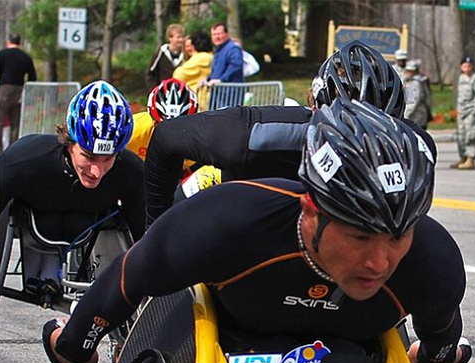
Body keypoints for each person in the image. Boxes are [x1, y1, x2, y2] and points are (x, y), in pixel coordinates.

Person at [42, 99, 470, 363]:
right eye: (360, 236)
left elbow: (439, 347)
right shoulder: (227, 219)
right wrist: (80, 341)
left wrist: (72, 349)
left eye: (398, 237)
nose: (380, 262)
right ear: (312, 210)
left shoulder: (435, 260)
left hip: (348, 350)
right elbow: (131, 274)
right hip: (238, 318)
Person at [143, 40, 436, 226]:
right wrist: (152, 234)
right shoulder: (256, 135)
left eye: (378, 132)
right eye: (349, 131)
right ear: (316, 115)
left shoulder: (415, 147)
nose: (362, 148)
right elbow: (168, 136)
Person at [0, 80, 145, 284]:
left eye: (108, 159)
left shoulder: (131, 172)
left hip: (88, 222)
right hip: (33, 216)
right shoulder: (23, 160)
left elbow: (150, 240)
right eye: (89, 157)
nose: (96, 172)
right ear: (69, 142)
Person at [127, 78, 198, 161]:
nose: (171, 136)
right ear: (153, 120)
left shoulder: (200, 143)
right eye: (163, 129)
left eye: (179, 130)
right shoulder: (132, 131)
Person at [0, 33, 37, 153]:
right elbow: (32, 76)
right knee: (15, 122)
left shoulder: (3, 54)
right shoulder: (25, 56)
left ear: (8, 41)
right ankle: (12, 150)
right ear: (19, 42)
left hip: (5, 89)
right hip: (20, 90)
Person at [451, 56, 475, 170]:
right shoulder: (460, 78)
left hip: (471, 110)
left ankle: (470, 158)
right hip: (461, 110)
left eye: (469, 66)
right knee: (461, 135)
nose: (467, 68)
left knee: (471, 135)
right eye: (464, 66)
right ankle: (463, 157)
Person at [146, 23, 184, 92]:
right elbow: (151, 73)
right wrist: (154, 91)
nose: (180, 40)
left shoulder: (184, 54)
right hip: (164, 92)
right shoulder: (161, 53)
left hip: (180, 92)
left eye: (182, 37)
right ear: (170, 38)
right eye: (178, 37)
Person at [403, 59, 432, 130]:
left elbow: (411, 102)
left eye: (410, 71)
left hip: (415, 117)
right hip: (422, 115)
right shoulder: (422, 80)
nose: (408, 73)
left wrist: (405, 115)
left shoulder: (413, 84)